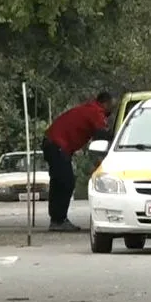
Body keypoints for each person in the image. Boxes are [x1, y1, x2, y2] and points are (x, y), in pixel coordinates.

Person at [42, 91, 115, 232]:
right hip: (57, 144)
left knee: (58, 182)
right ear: (104, 103)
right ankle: (58, 220)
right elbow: (101, 135)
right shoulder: (96, 112)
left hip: (52, 142)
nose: (112, 110)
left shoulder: (89, 109)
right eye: (111, 106)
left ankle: (56, 219)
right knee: (66, 182)